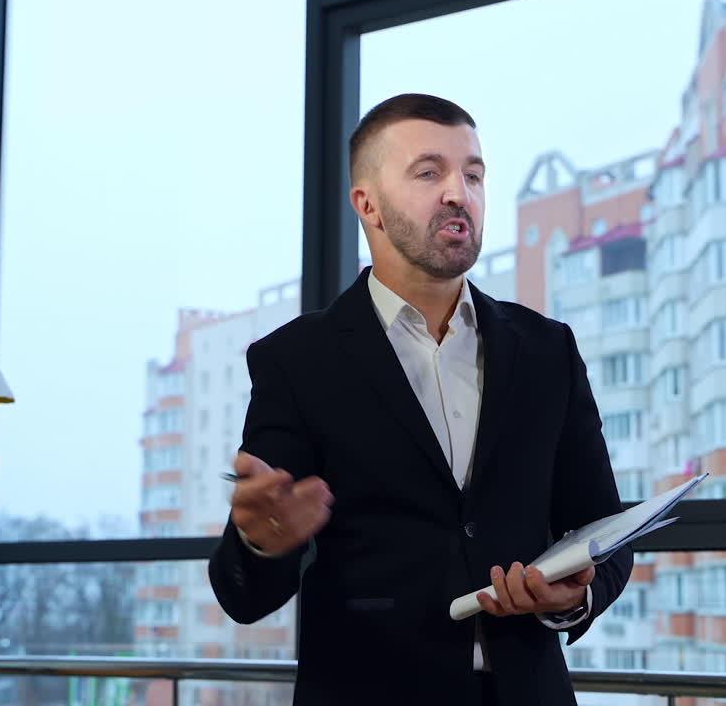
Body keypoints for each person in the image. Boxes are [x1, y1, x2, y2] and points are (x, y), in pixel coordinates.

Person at [207, 93, 633, 706]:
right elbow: (242, 594)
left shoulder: (547, 350)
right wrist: (262, 543)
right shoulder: (296, 361)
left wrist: (577, 595)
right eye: (429, 172)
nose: (459, 192)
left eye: (474, 174)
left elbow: (602, 526)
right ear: (368, 204)